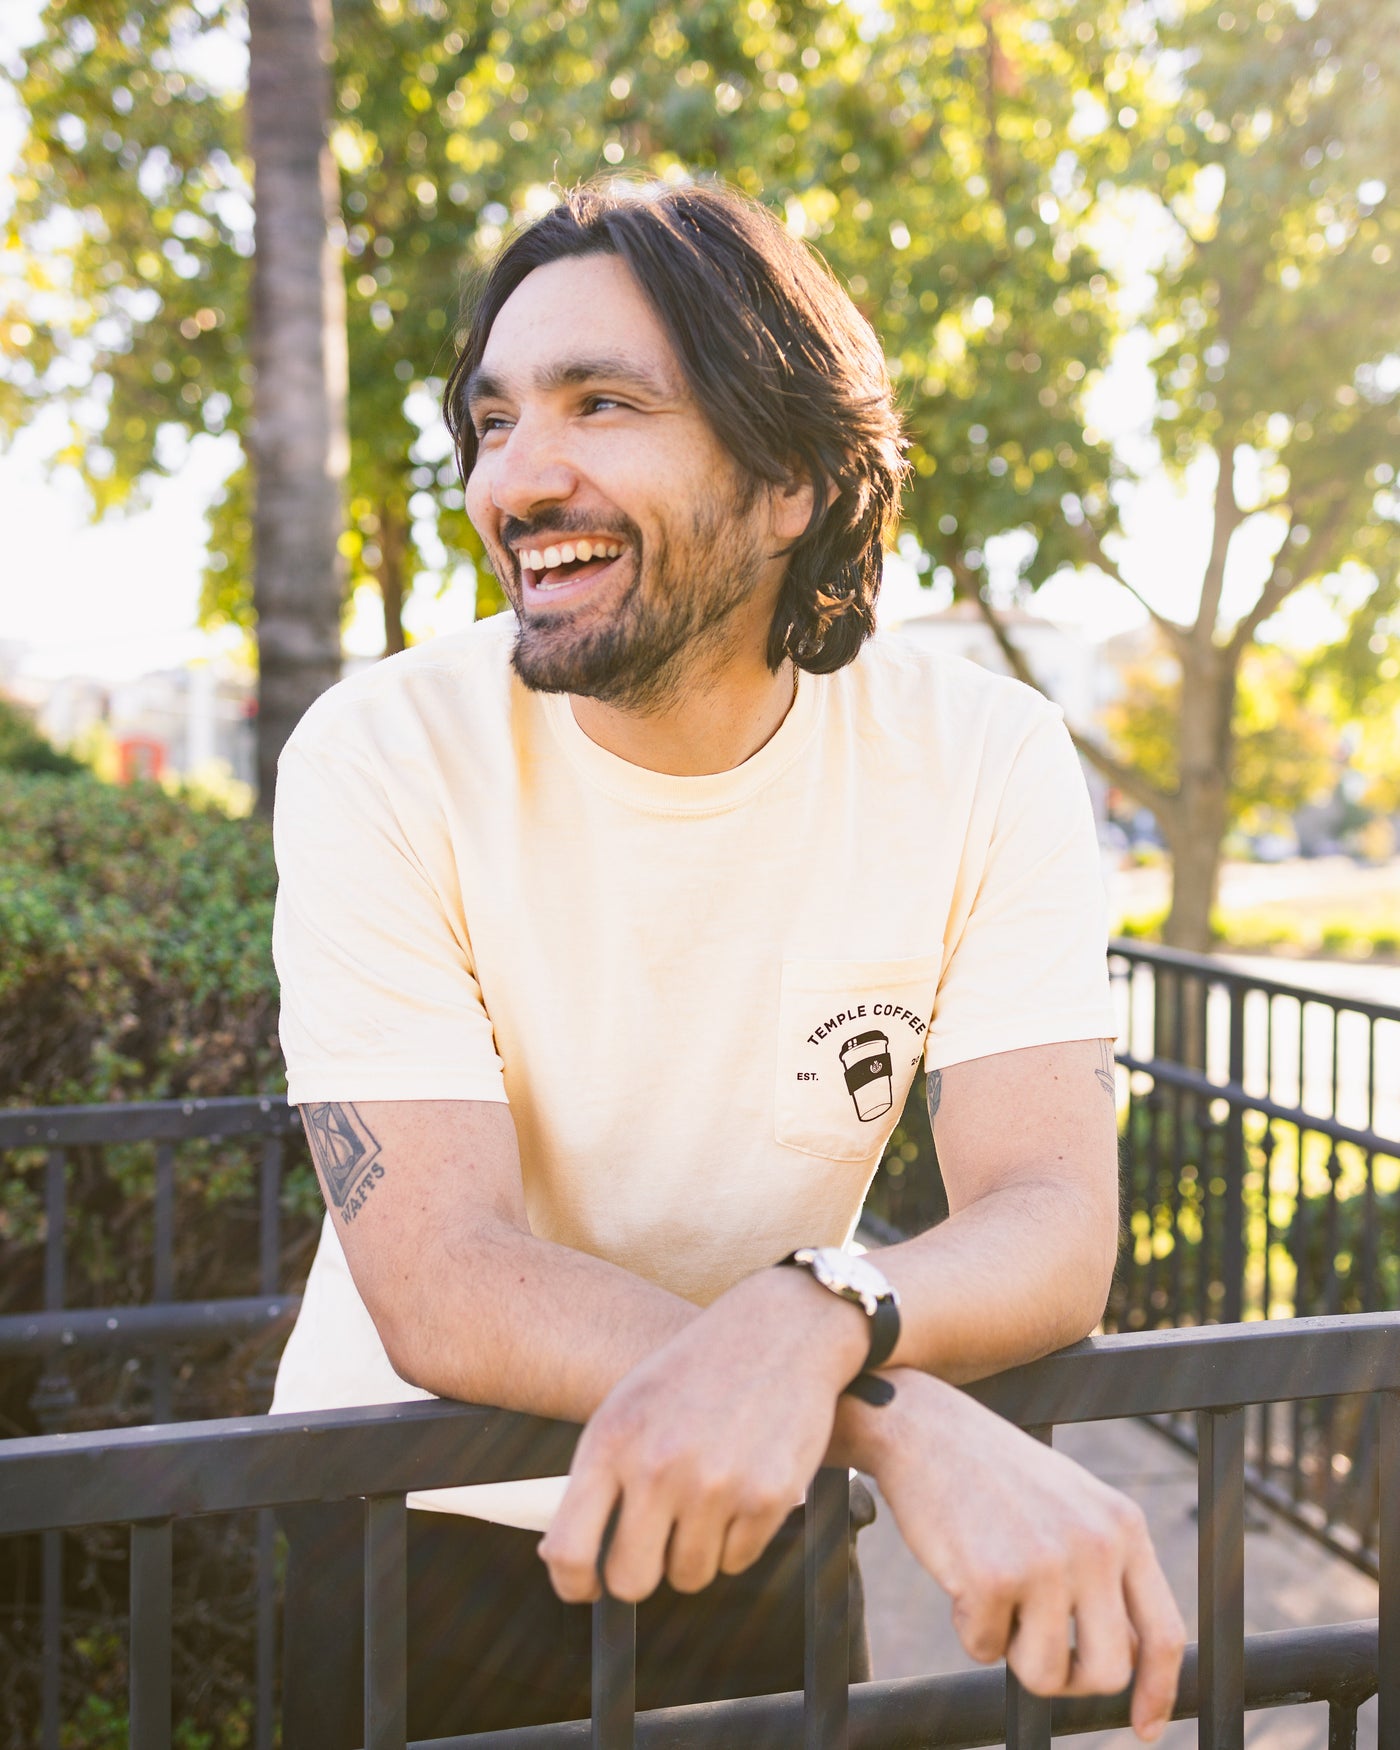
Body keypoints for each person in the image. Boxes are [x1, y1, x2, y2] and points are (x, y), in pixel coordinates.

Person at [269, 177, 1185, 1744]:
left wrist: (814, 1319)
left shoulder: (984, 757)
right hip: (409, 1521)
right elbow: (440, 1275)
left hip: (760, 1515)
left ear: (791, 480)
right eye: (493, 423)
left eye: (601, 404)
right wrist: (895, 1422)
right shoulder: (383, 750)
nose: (516, 478)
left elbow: (1053, 1213)